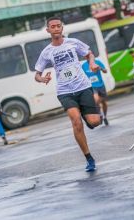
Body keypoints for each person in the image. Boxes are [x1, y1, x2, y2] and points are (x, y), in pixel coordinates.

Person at [34, 16, 101, 172]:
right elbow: (37, 74)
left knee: (95, 122)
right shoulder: (47, 52)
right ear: (48, 30)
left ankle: (90, 117)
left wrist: (91, 62)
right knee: (76, 122)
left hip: (83, 86)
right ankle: (89, 158)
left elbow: (89, 53)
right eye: (53, 26)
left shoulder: (73, 43)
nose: (56, 28)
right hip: (65, 91)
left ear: (62, 28)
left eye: (58, 26)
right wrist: (42, 78)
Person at [81, 58, 109, 126]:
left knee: (104, 103)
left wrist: (100, 68)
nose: (88, 57)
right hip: (92, 86)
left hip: (101, 85)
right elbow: (82, 76)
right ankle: (100, 115)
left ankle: (105, 116)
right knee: (96, 100)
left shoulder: (97, 62)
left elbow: (105, 71)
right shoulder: (84, 65)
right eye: (86, 56)